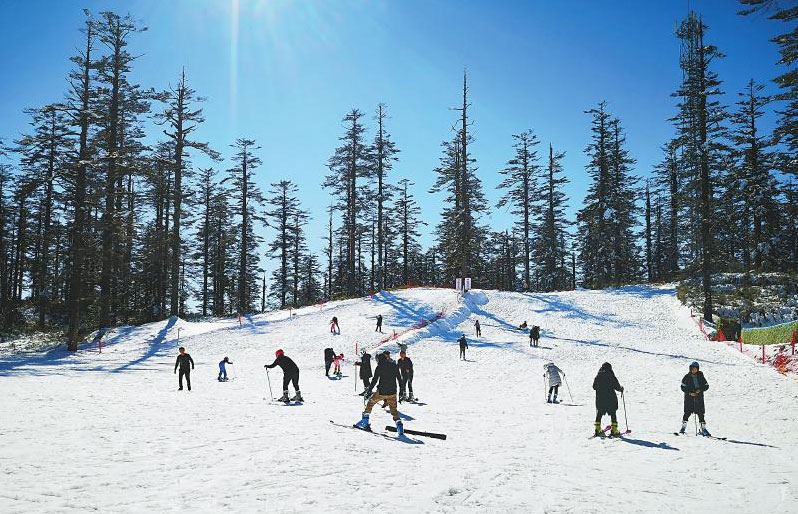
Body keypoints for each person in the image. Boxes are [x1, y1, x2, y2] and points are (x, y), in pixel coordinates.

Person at [354, 351, 404, 435]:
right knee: (394, 410)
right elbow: (399, 379)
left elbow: (374, 380)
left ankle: (364, 422)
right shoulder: (394, 365)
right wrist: (401, 392)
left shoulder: (379, 367)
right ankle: (400, 429)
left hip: (381, 392)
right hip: (392, 392)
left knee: (370, 403)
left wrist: (369, 390)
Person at [593, 362, 624, 437]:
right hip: (610, 398)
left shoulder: (598, 376)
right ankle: (614, 430)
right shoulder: (611, 375)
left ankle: (597, 429)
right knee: (613, 413)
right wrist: (621, 388)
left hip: (600, 398)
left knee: (599, 413)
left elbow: (594, 387)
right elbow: (617, 387)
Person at [680, 361, 710, 436]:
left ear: (698, 369)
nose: (694, 370)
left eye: (695, 369)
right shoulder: (686, 377)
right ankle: (683, 428)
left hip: (699, 398)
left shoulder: (701, 376)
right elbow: (683, 387)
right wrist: (690, 393)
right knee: (687, 412)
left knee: (700, 413)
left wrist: (700, 390)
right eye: (692, 369)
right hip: (689, 398)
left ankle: (703, 429)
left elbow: (706, 386)